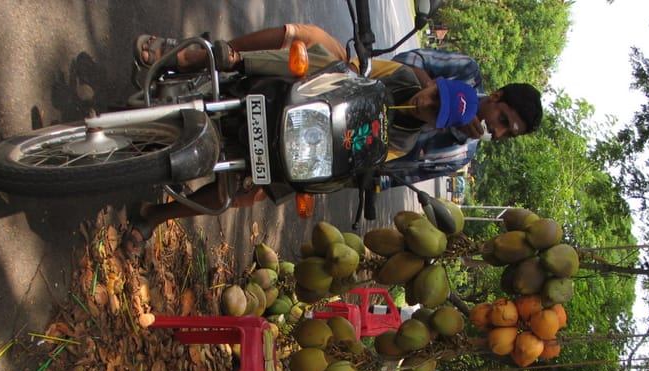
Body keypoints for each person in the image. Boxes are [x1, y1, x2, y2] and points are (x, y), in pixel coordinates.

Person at [123, 24, 479, 258]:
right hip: (328, 93)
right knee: (317, 58)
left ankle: (155, 216)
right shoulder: (405, 76)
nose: (426, 104)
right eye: (435, 96)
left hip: (315, 138)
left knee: (244, 195)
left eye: (435, 112)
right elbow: (352, 72)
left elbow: (365, 156)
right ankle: (219, 59)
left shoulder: (405, 139)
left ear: (439, 123)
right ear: (435, 85)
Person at [384, 48, 543, 185]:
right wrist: (439, 95)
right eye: (503, 120)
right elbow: (407, 60)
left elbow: (398, 176)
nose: (498, 132)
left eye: (508, 134)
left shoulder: (460, 156)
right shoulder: (466, 71)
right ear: (495, 96)